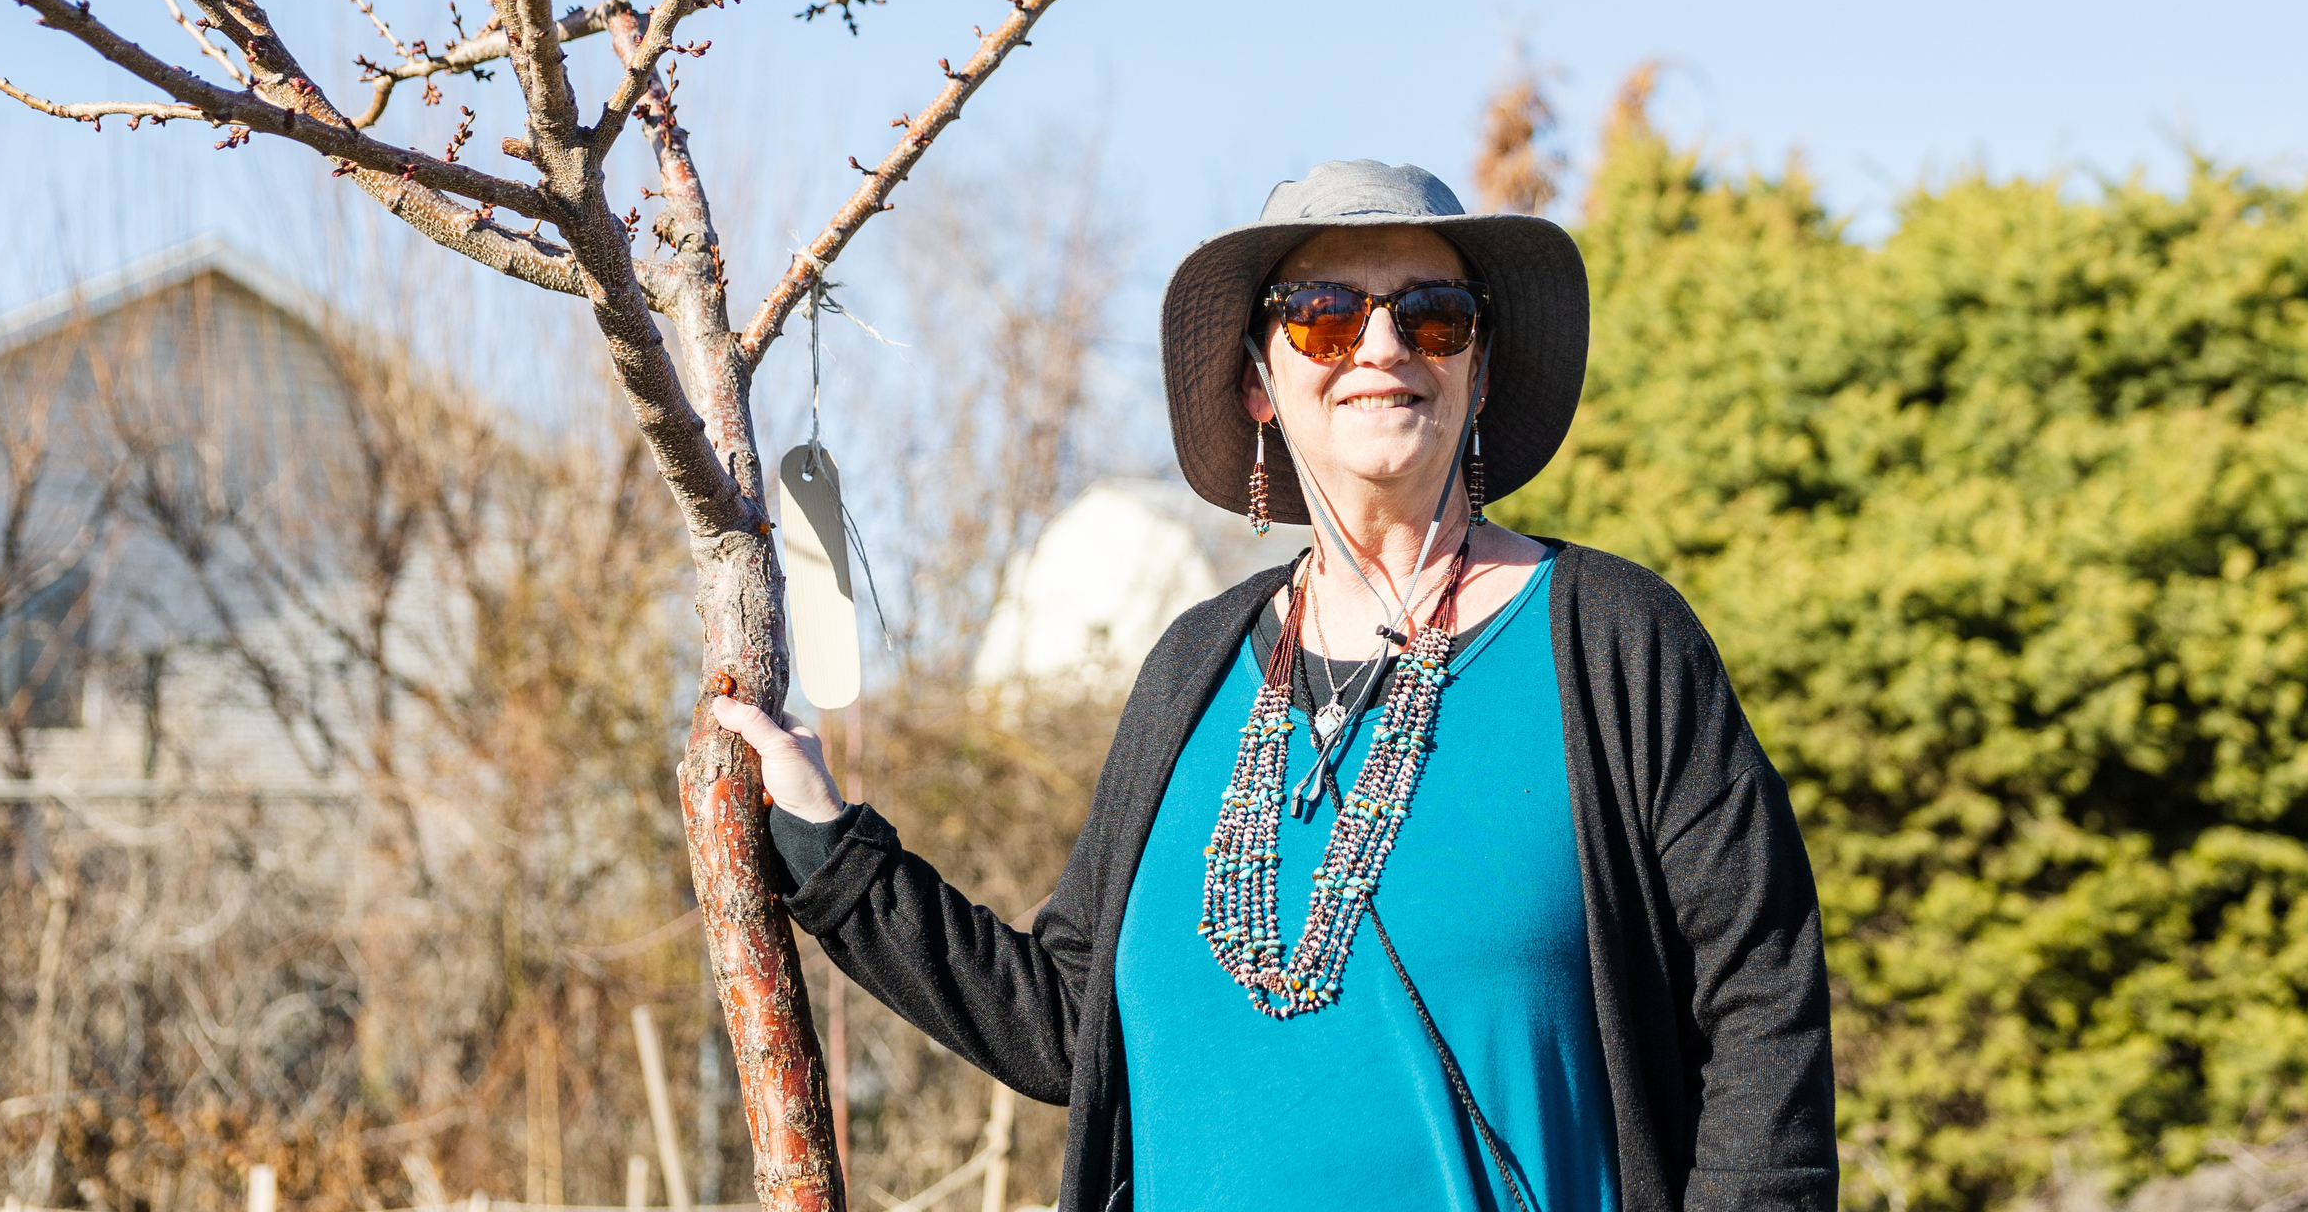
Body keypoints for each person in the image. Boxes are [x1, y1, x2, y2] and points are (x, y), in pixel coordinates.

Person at [716, 159, 1836, 1212]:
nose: (1382, 344)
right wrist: (834, 846)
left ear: (1482, 368)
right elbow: (1068, 1021)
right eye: (1324, 311)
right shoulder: (1191, 670)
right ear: (1259, 376)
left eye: (1435, 313)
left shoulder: (1611, 642)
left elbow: (1764, 1004)